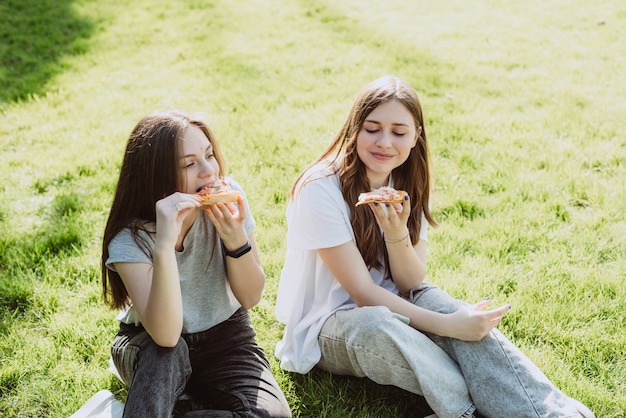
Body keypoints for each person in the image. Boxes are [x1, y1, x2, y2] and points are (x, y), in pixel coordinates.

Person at [274, 76, 593, 418]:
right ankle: (463, 412)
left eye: (399, 132)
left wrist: (396, 236)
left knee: (446, 307)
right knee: (381, 324)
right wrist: (450, 326)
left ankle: (551, 412)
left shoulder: (407, 180)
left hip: (398, 299)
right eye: (372, 129)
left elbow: (410, 281)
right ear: (354, 129)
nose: (385, 142)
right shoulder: (319, 189)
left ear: (416, 135)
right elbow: (364, 294)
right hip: (328, 326)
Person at [101, 109, 292, 418]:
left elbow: (250, 297)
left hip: (227, 337)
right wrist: (164, 245)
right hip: (151, 346)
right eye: (190, 164)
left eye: (209, 155)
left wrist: (235, 239)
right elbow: (165, 334)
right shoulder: (129, 239)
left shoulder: (230, 198)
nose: (209, 172)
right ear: (155, 176)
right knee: (170, 352)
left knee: (273, 415)